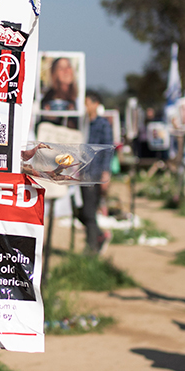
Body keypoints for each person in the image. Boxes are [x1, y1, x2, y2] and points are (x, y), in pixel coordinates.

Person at [79, 92, 113, 253]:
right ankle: (100, 236)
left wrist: (106, 173)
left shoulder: (102, 124)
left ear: (95, 104)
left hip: (95, 173)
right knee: (83, 210)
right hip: (81, 173)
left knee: (89, 211)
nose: (85, 106)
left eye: (87, 103)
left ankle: (91, 246)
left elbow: (107, 150)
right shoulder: (82, 124)